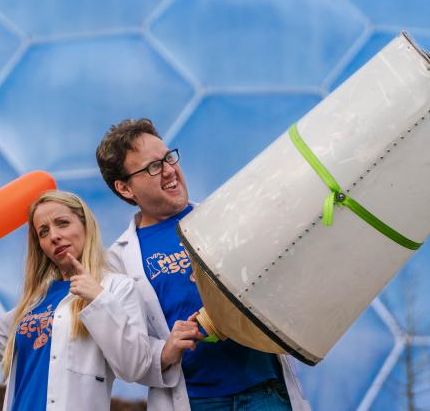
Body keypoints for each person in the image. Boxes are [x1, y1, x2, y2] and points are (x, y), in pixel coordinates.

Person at [96, 118, 311, 411]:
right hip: (198, 401)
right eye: (153, 167)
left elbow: (280, 289)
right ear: (125, 188)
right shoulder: (118, 260)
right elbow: (130, 358)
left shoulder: (224, 218)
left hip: (265, 391)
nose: (170, 170)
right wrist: (167, 348)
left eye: (168, 158)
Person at [0, 190, 151, 410]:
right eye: (43, 232)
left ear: (86, 226)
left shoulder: (117, 288)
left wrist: (98, 300)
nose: (53, 236)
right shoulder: (36, 301)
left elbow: (135, 366)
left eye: (62, 223)